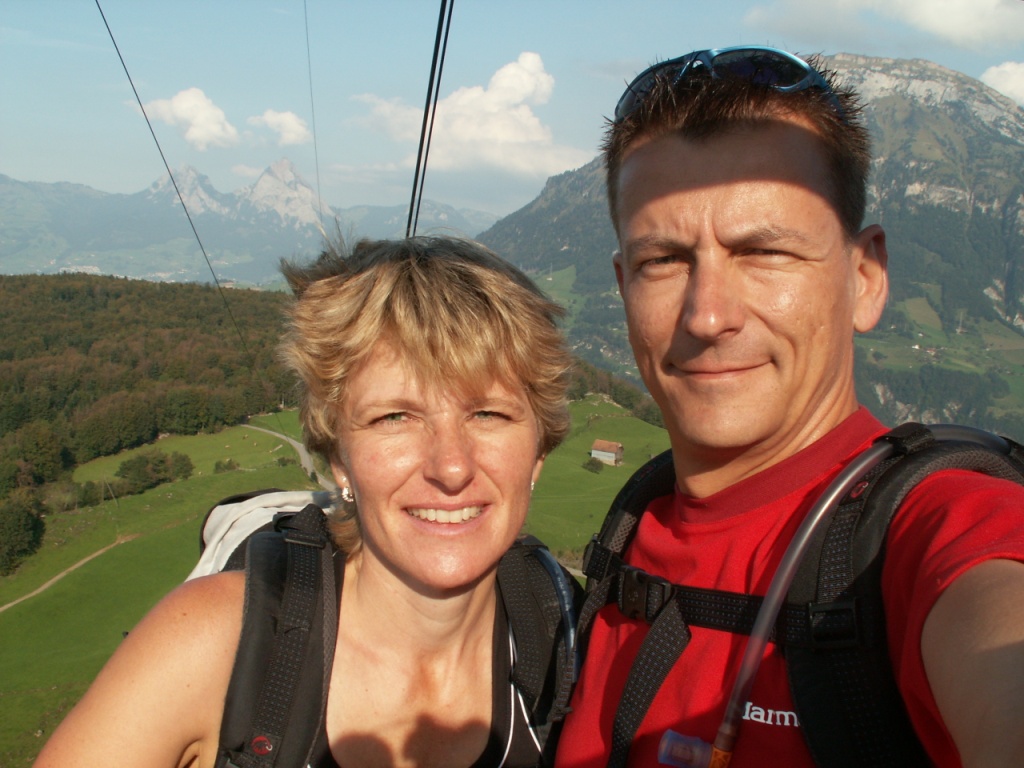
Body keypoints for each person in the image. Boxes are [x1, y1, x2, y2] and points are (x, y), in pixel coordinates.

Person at [554, 47, 1024, 768]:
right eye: (663, 261)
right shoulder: (625, 536)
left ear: (865, 278)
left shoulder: (933, 532)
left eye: (764, 252)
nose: (708, 315)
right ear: (623, 286)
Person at [34, 235, 577, 768]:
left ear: (538, 451)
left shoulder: (575, 649)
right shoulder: (212, 647)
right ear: (339, 457)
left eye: (488, 414)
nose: (451, 466)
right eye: (394, 417)